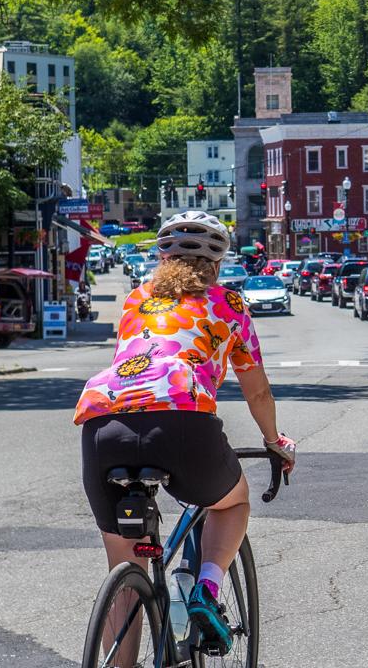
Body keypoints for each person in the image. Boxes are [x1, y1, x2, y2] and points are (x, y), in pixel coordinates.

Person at [73, 211, 295, 656]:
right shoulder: (229, 305)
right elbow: (258, 390)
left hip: (102, 421)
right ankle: (206, 592)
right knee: (232, 503)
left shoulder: (137, 300)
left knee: (125, 566)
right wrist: (274, 440)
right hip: (181, 418)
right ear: (217, 264)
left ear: (162, 257)